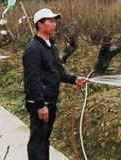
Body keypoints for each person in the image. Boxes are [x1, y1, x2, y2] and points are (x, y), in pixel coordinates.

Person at [23, 8, 88, 160]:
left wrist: (74, 79)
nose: (54, 24)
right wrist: (40, 105)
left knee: (44, 139)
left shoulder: (51, 45)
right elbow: (32, 79)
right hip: (40, 102)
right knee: (38, 141)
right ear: (40, 24)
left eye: (55, 21)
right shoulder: (33, 49)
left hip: (50, 100)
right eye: (50, 21)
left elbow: (58, 71)